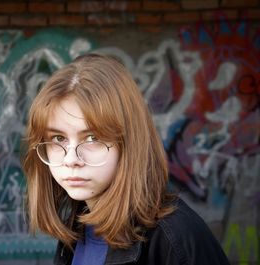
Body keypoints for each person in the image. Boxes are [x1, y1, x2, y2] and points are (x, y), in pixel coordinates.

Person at [22, 53, 230, 265]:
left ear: (129, 142)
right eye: (58, 138)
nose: (71, 159)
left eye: (92, 137)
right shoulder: (77, 231)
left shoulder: (176, 238)